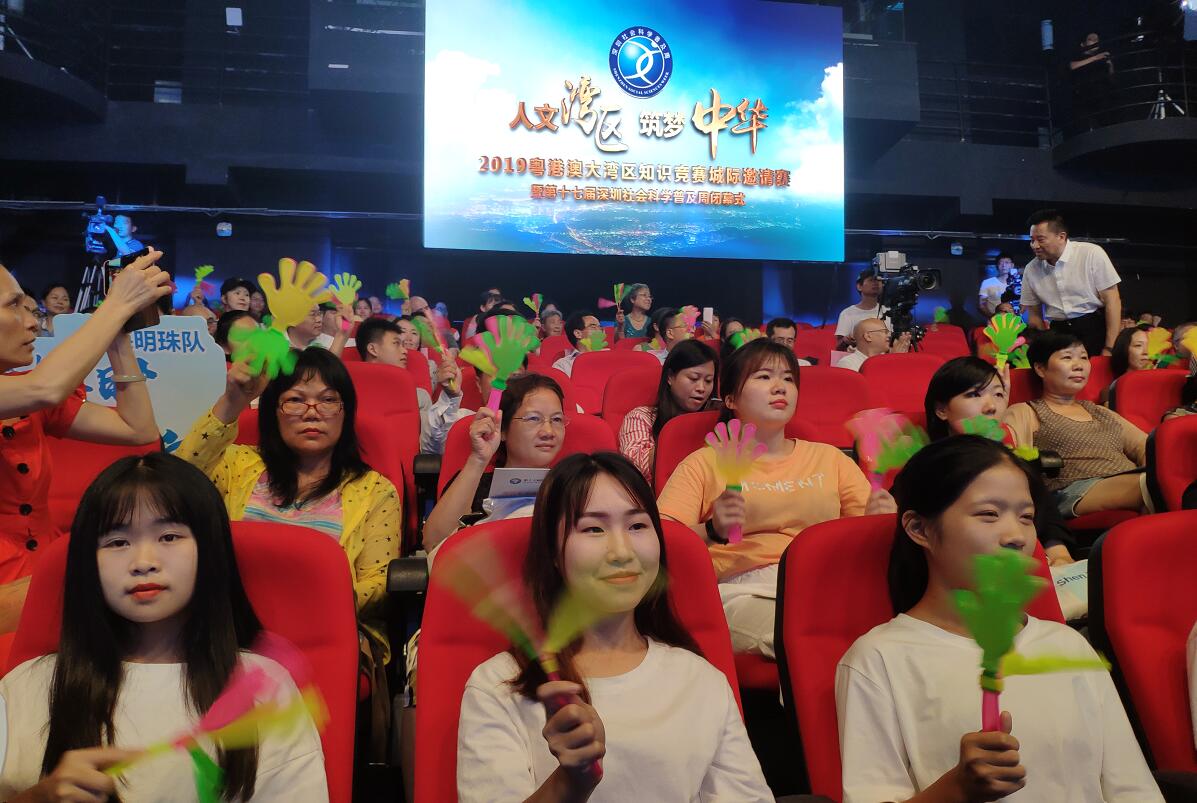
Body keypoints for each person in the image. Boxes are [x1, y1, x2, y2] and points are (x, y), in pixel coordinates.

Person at [836, 435, 1162, 803]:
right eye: (988, 514)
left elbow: (1132, 789)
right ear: (919, 529)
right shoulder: (878, 660)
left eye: (1026, 517)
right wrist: (956, 789)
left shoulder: (1068, 646)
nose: (1016, 536)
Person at [0, 452, 328, 801]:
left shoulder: (262, 686)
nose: (143, 562)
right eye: (117, 542)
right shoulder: (27, 686)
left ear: (209, 549)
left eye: (169, 537)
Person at [457, 452, 773, 802]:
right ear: (553, 554)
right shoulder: (498, 686)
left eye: (637, 526)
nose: (622, 552)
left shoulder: (701, 680)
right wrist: (569, 783)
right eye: (593, 528)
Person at [658, 340, 895, 658]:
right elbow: (663, 544)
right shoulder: (703, 463)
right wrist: (712, 529)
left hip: (824, 583)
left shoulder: (829, 458)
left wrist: (880, 521)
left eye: (788, 378)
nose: (780, 387)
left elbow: (860, 537)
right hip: (743, 589)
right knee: (817, 636)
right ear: (730, 398)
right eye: (764, 376)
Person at [178, 347, 401, 664]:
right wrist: (232, 402)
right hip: (230, 630)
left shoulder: (374, 490)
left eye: (328, 400)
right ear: (274, 411)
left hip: (325, 634)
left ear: (345, 411)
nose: (312, 412)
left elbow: (380, 582)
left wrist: (308, 604)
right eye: (295, 400)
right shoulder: (238, 464)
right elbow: (175, 486)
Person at [0, 255, 170, 662]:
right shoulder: (35, 392)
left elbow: (138, 430)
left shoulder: (28, 399)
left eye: (30, 308)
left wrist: (118, 339)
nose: (32, 322)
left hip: (44, 570)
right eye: (13, 305)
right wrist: (116, 306)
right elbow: (46, 387)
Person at [924, 356, 1076, 565]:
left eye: (998, 394)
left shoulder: (1014, 463)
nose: (991, 407)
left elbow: (1046, 517)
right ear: (941, 409)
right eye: (974, 394)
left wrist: (1059, 555)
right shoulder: (926, 467)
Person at [1004, 331, 1148, 519]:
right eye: (1067, 357)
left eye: (1084, 357)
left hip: (1128, 479)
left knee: (1165, 478)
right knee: (1156, 485)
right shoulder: (1026, 411)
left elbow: (1146, 445)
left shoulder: (1100, 411)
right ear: (1040, 368)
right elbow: (1009, 461)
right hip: (1071, 491)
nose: (1079, 365)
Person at [422, 374, 565, 559]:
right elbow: (434, 543)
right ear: (502, 429)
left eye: (557, 419)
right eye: (533, 419)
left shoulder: (571, 486)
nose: (548, 431)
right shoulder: (477, 485)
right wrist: (478, 459)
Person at [1021, 209, 1122, 358]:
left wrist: (1110, 347)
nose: (1035, 245)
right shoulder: (1031, 269)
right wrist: (1043, 347)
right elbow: (1034, 315)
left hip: (1093, 327)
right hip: (1058, 331)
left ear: (1061, 237)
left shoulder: (1091, 253)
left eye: (1041, 240)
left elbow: (1113, 301)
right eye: (1032, 240)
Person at [356, 317, 462, 454]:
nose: (405, 350)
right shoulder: (346, 389)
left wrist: (450, 396)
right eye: (396, 343)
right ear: (373, 349)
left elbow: (430, 448)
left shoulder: (418, 397)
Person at [618, 340, 717, 480]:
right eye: (693, 378)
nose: (701, 388)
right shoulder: (641, 417)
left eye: (708, 381)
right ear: (670, 377)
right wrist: (680, 432)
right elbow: (634, 468)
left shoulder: (716, 419)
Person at [834, 268, 889, 351]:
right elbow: (839, 346)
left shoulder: (889, 311)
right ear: (859, 286)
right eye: (871, 280)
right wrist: (846, 340)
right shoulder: (847, 313)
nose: (876, 283)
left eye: (879, 280)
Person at [836, 317, 910, 372]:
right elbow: (875, 384)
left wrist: (897, 360)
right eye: (885, 332)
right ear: (868, 336)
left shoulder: (886, 358)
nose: (889, 336)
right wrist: (893, 361)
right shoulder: (847, 363)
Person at [1103, 325, 1152, 404]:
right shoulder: (1112, 391)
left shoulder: (1159, 385)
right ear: (1124, 349)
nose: (1146, 352)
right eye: (1138, 345)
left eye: (1149, 346)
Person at [552, 311, 603, 377]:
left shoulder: (610, 358)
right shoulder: (563, 366)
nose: (599, 331)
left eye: (600, 327)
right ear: (578, 334)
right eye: (593, 327)